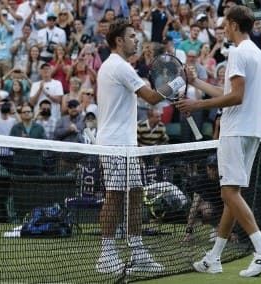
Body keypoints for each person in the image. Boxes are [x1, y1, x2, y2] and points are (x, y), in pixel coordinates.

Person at [175, 5, 261, 277]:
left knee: (229, 194)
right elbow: (228, 92)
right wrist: (196, 82)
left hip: (235, 130)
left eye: (225, 23)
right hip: (251, 131)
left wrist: (196, 106)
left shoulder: (236, 52)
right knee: (232, 195)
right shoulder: (256, 53)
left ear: (234, 24)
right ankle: (214, 257)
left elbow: (235, 97)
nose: (223, 27)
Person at [95, 18, 173, 275]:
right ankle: (106, 254)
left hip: (126, 143)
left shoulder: (118, 66)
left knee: (136, 192)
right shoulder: (119, 66)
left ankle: (137, 250)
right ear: (119, 41)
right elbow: (151, 97)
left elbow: (149, 92)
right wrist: (178, 82)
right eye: (131, 36)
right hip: (115, 144)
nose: (136, 39)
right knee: (115, 195)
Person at [184, 154, 223, 243]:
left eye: (215, 168)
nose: (212, 171)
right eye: (210, 168)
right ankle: (216, 227)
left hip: (225, 209)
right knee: (205, 209)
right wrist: (188, 232)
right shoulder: (202, 180)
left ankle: (223, 228)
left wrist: (233, 232)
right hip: (212, 210)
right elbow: (194, 205)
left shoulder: (224, 180)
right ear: (207, 168)